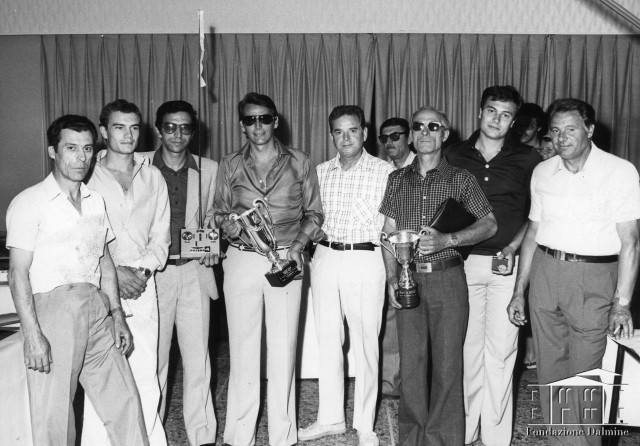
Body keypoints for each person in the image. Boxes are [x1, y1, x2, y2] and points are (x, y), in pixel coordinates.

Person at [5, 115, 148, 445]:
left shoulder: (95, 200)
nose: (81, 157)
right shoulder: (30, 202)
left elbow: (104, 260)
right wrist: (33, 335)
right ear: (53, 151)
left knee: (125, 402)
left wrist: (117, 315)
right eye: (71, 148)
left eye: (87, 148)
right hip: (54, 310)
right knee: (55, 414)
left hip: (96, 307)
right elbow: (17, 273)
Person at [508, 98, 640, 446]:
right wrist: (519, 291)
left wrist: (622, 303)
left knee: (584, 380)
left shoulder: (620, 171)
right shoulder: (542, 171)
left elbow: (630, 242)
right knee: (551, 376)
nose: (561, 138)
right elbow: (533, 234)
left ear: (590, 130)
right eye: (555, 130)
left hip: (594, 278)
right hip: (546, 273)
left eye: (570, 129)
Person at [380, 105, 497, 446]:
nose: (425, 132)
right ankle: (412, 439)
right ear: (411, 134)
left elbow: (489, 224)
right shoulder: (396, 179)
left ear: (445, 134)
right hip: (408, 281)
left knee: (447, 366)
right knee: (412, 365)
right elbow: (387, 232)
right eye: (418, 126)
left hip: (448, 280)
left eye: (433, 126)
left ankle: (443, 440)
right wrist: (391, 278)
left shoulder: (461, 179)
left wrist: (449, 239)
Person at [213, 92, 324, 446]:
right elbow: (217, 212)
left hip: (287, 260)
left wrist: (298, 246)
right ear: (241, 124)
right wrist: (228, 226)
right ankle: (239, 436)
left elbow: (315, 214)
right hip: (242, 259)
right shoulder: (229, 164)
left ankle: (283, 437)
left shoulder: (300, 162)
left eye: (264, 118)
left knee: (283, 350)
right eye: (250, 119)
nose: (257, 126)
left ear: (275, 121)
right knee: (242, 351)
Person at [445, 85, 540, 446]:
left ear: (514, 121)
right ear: (480, 112)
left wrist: (514, 247)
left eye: (505, 114)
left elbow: (538, 215)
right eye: (491, 111)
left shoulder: (529, 159)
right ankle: (467, 431)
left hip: (506, 266)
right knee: (468, 352)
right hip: (462, 263)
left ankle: (496, 437)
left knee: (501, 354)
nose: (496, 120)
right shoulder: (454, 154)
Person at [298, 106, 394, 446]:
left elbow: (391, 227)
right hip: (325, 257)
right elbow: (309, 217)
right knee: (327, 340)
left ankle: (365, 424)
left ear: (364, 133)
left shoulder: (385, 172)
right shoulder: (320, 172)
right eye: (339, 132)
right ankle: (330, 419)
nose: (346, 137)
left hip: (366, 259)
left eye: (352, 130)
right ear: (331, 135)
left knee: (367, 343)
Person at [83, 99, 171, 446]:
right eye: (119, 127)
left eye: (134, 128)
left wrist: (140, 272)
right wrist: (113, 273)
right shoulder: (86, 175)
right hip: (97, 287)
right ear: (104, 132)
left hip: (143, 286)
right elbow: (80, 238)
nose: (128, 135)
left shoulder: (153, 176)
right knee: (102, 378)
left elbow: (161, 238)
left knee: (145, 375)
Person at [139, 100, 218, 446]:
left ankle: (202, 435)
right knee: (154, 360)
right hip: (152, 276)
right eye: (170, 127)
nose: (177, 134)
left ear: (193, 131)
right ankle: (151, 433)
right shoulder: (139, 165)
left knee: (198, 360)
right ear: (159, 130)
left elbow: (215, 216)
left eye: (185, 128)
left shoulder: (209, 169)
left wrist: (213, 243)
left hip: (193, 272)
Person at [377, 117, 413, 397]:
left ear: (409, 137)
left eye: (395, 136)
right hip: (392, 254)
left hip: (422, 253)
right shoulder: (383, 172)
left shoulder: (424, 166)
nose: (389, 142)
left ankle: (415, 385)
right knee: (392, 317)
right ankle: (391, 383)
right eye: (384, 138)